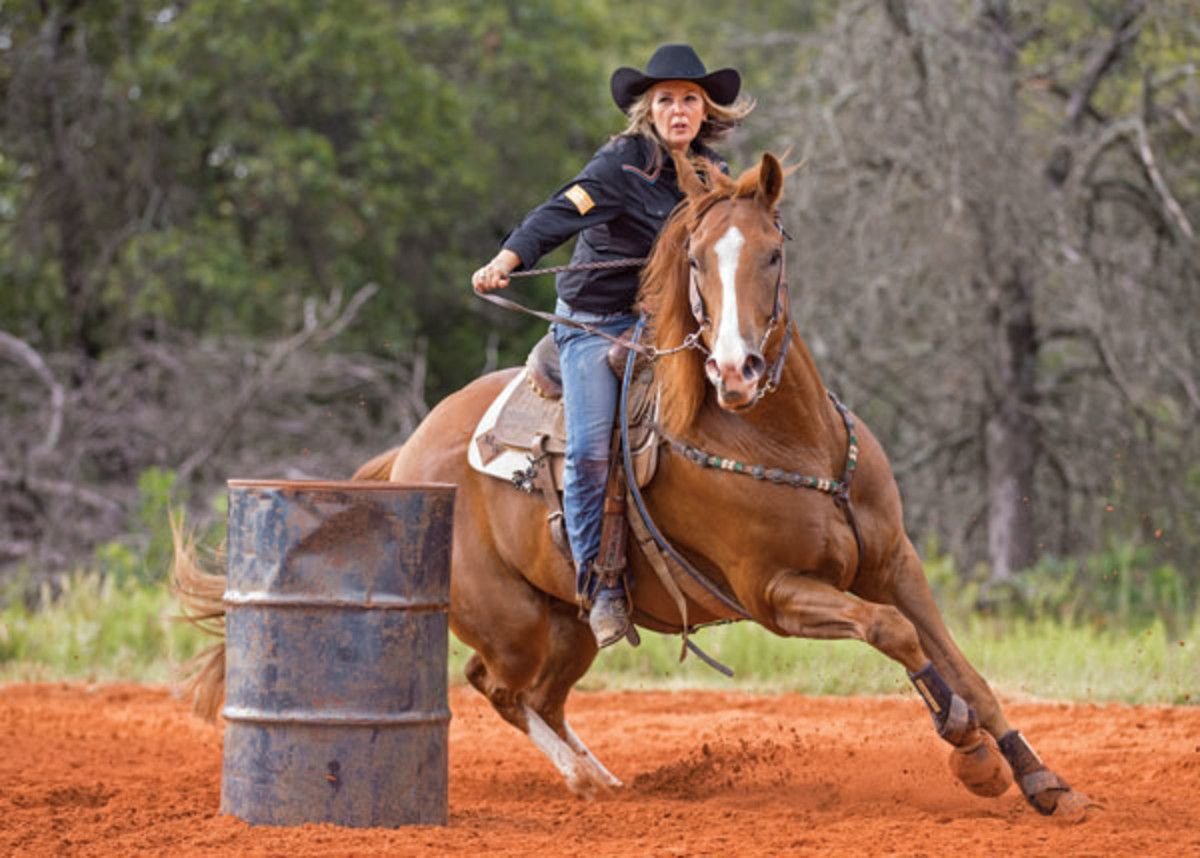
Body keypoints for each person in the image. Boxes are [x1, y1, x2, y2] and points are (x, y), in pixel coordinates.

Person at [472, 44, 754, 647]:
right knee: (592, 450)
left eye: (690, 100)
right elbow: (557, 213)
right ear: (648, 111)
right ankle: (597, 585)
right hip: (593, 325)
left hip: (666, 328)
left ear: (706, 112)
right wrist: (507, 258)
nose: (679, 111)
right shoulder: (618, 167)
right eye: (666, 100)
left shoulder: (712, 174)